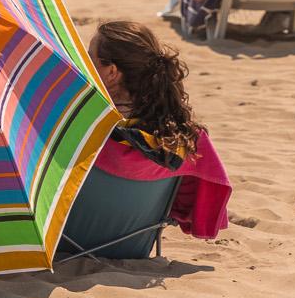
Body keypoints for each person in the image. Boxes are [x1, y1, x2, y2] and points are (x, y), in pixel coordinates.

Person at [85, 20, 230, 239]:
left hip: (69, 241)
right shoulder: (181, 140)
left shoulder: (86, 129)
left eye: (89, 58)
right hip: (134, 244)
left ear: (112, 72)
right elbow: (189, 203)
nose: (83, 64)